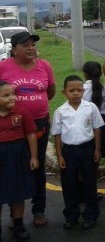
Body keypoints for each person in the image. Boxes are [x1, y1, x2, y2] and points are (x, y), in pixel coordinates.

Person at [0, 31, 55, 227]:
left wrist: (33, 107)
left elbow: (50, 92)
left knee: (37, 165)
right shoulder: (2, 67)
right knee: (10, 168)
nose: (31, 48)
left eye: (33, 44)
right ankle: (15, 215)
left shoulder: (44, 66)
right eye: (25, 45)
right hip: (10, 126)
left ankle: (38, 209)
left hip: (39, 124)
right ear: (14, 49)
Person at [51, 75, 104, 230]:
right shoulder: (60, 111)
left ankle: (91, 215)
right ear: (64, 92)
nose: (75, 93)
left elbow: (97, 128)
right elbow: (57, 134)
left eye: (79, 90)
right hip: (69, 151)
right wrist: (60, 155)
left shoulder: (90, 107)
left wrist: (97, 148)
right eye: (71, 90)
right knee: (69, 184)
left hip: (87, 148)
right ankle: (71, 215)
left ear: (83, 91)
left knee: (89, 183)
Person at [0, 81, 39, 240]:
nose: (12, 98)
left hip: (18, 156)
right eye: (6, 95)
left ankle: (18, 224)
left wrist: (34, 156)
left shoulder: (22, 112)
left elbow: (31, 135)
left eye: (13, 94)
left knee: (18, 192)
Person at [83, 61, 105, 158]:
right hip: (103, 124)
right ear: (100, 73)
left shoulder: (81, 89)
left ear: (84, 74)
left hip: (86, 123)